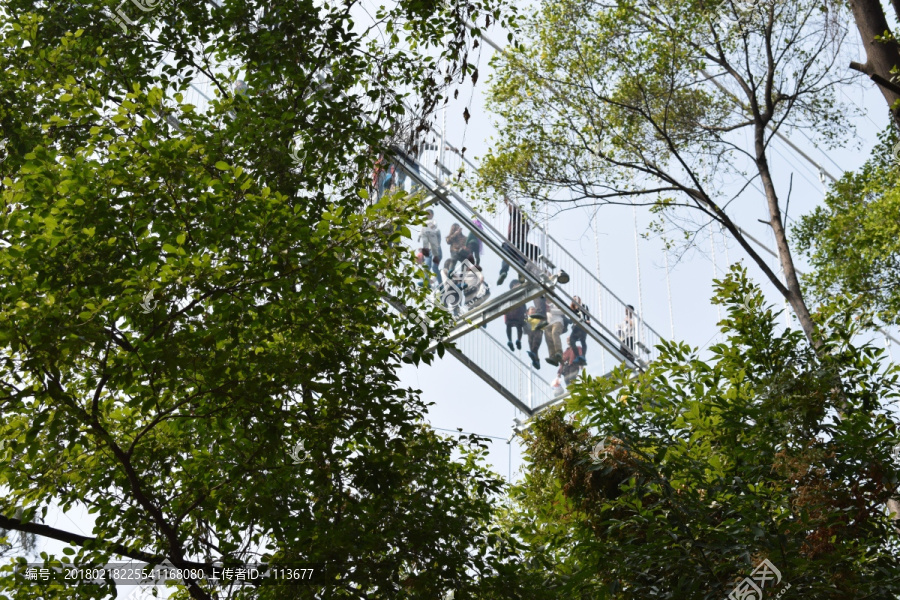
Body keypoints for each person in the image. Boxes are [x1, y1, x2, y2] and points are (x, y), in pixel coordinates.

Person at [497, 196, 539, 285]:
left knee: (508, 256)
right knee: (523, 255)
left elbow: (511, 209)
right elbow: (510, 208)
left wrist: (507, 201)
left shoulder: (516, 215)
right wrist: (507, 201)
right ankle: (521, 271)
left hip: (512, 244)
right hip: (519, 244)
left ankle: (506, 271)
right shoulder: (525, 223)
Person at [418, 210, 442, 283]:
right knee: (427, 266)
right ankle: (425, 281)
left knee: (434, 268)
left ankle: (440, 283)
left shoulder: (435, 227)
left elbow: (435, 225)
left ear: (431, 214)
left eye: (428, 214)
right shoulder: (424, 225)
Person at [504, 280, 526, 352]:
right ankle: (512, 340)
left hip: (513, 312)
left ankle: (516, 340)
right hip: (516, 312)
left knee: (515, 326)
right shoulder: (517, 293)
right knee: (514, 326)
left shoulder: (519, 293)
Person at [543, 300, 565, 366]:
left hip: (557, 321)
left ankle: (559, 352)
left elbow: (563, 311)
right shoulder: (542, 305)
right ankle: (553, 357)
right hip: (548, 324)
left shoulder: (555, 303)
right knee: (548, 339)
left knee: (555, 333)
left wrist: (550, 310)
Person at [569, 296, 589, 363]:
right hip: (575, 327)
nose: (575, 300)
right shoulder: (572, 309)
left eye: (576, 299)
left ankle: (583, 356)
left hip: (583, 325)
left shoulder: (583, 306)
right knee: (572, 340)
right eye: (573, 299)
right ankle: (577, 356)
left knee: (582, 340)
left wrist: (588, 321)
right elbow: (571, 319)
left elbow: (587, 315)